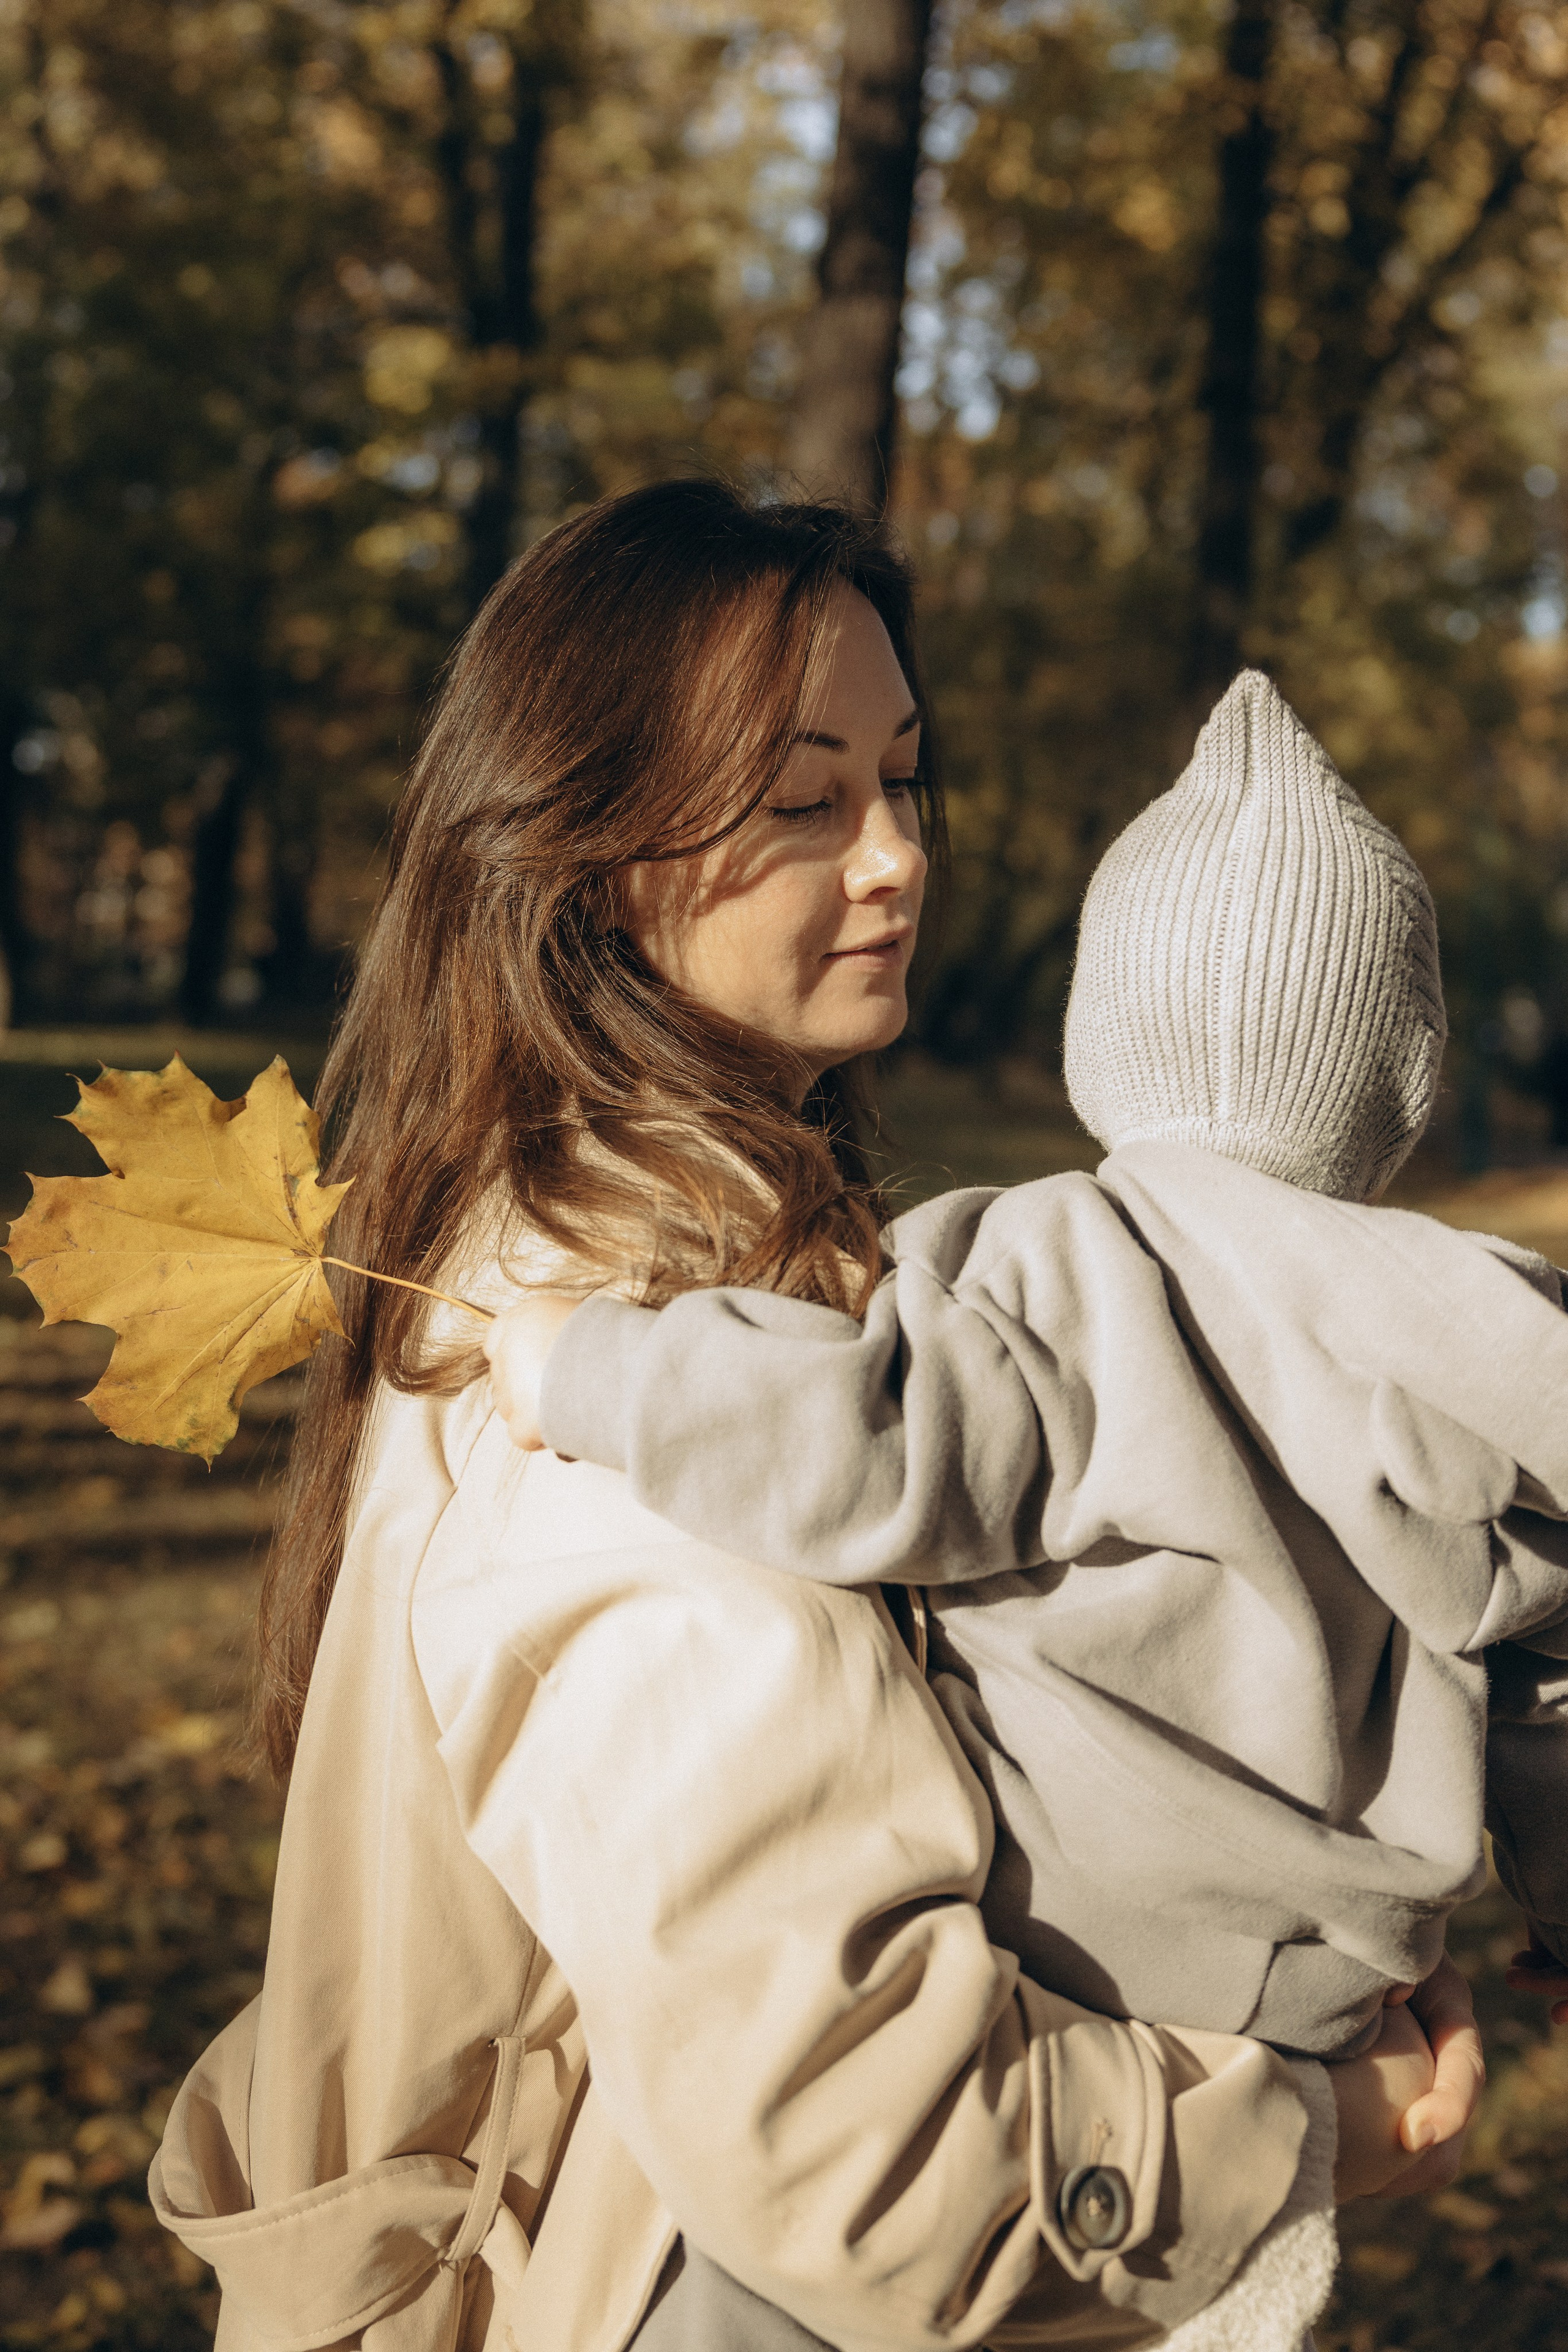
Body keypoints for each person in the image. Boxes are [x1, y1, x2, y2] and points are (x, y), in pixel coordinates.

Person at [149, 488, 1480, 2352]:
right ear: (584, 850)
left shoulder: (705, 1293)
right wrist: (1311, 2133)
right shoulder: (623, 1387)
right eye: (805, 800)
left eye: (905, 782)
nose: (895, 859)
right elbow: (869, 2153)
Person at [486, 665, 1568, 2087]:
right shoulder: (1472, 1336)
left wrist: (583, 1364)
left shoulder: (1053, 1260)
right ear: (1407, 1077)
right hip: (1337, 1988)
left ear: (1091, 1046)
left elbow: (864, 1440)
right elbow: (1544, 1696)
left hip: (1079, 1952)